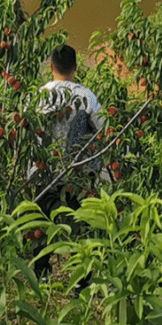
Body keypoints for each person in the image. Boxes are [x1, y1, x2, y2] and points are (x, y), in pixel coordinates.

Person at [32, 43, 106, 279]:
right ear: (75, 67)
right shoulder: (86, 96)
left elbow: (26, 131)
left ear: (50, 66)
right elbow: (104, 129)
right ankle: (81, 279)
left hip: (43, 171)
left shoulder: (38, 97)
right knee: (80, 224)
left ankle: (41, 274)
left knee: (41, 222)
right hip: (77, 174)